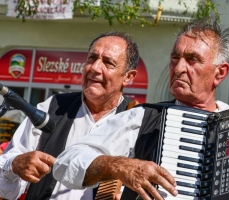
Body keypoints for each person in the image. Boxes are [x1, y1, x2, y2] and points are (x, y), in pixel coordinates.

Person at [53, 16, 229, 200]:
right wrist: (119, 166)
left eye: (192, 60)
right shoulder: (142, 117)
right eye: (175, 57)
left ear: (220, 73)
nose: (179, 67)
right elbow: (66, 163)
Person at [0, 30, 139, 200]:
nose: (95, 68)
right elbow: (6, 181)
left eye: (108, 63)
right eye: (92, 58)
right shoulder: (53, 107)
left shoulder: (135, 121)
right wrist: (15, 165)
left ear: (128, 77)